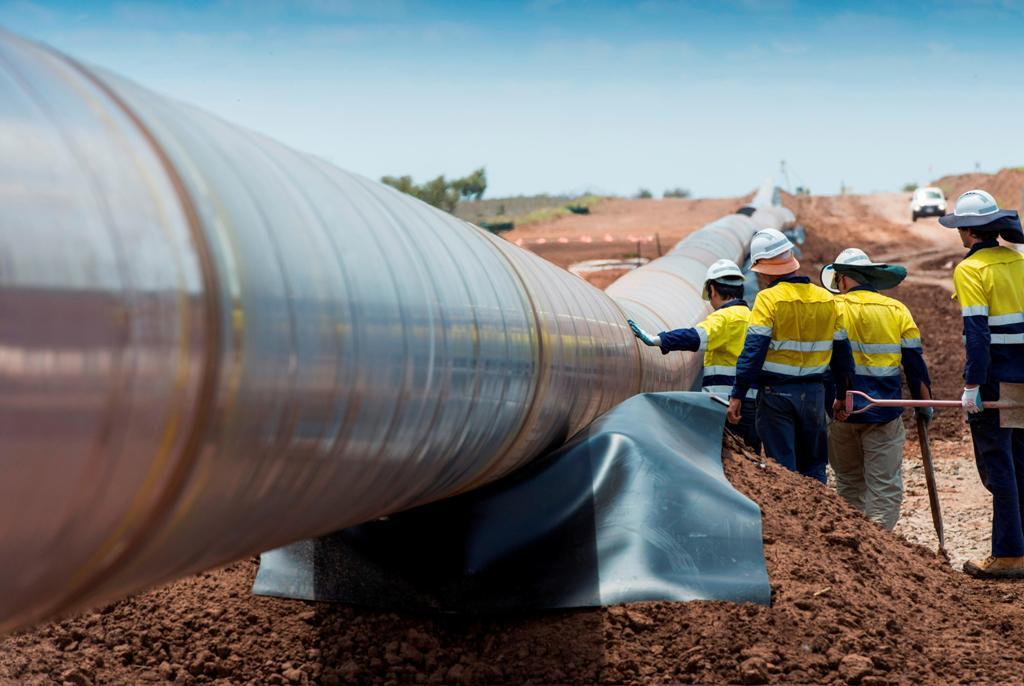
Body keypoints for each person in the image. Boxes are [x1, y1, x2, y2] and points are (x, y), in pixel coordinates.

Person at [939, 189, 1024, 579]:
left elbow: (977, 334)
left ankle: (1007, 553)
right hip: (1022, 380)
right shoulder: (1017, 261)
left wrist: (973, 384)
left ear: (969, 231)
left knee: (997, 466)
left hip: (995, 382)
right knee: (1020, 462)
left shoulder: (971, 270)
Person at [728, 228, 854, 483]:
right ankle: (818, 519)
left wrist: (738, 394)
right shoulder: (826, 299)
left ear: (763, 269)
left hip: (777, 397)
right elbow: (843, 356)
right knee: (814, 467)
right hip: (814, 396)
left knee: (782, 470)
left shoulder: (768, 300)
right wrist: (842, 395)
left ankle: (794, 522)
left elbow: (753, 351)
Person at [821, 248, 933, 530]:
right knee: (884, 488)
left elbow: (824, 362)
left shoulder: (833, 308)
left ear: (844, 279)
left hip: (842, 411)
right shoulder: (897, 311)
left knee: (848, 483)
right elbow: (915, 366)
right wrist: (925, 405)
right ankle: (880, 548)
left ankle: (855, 545)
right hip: (884, 412)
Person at [628, 259, 761, 452]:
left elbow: (694, 337)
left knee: (725, 460)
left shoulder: (724, 318)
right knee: (752, 460)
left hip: (725, 404)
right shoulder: (753, 317)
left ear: (713, 290)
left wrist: (658, 340)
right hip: (754, 403)